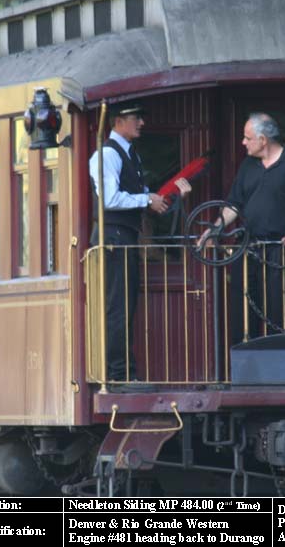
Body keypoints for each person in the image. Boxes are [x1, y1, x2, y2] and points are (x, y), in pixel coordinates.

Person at [89, 102, 191, 382]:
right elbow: (109, 198)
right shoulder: (108, 154)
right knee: (118, 306)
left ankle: (122, 372)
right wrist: (147, 199)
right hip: (113, 237)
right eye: (137, 117)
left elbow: (143, 197)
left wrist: (167, 197)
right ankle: (118, 374)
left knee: (125, 305)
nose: (142, 123)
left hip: (124, 236)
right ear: (118, 120)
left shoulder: (129, 154)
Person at [200, 114, 285, 338]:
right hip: (247, 247)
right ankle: (245, 358)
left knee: (277, 312)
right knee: (242, 314)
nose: (243, 142)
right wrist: (214, 230)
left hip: (280, 248)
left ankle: (274, 359)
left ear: (263, 140)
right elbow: (233, 205)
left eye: (247, 138)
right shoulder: (248, 165)